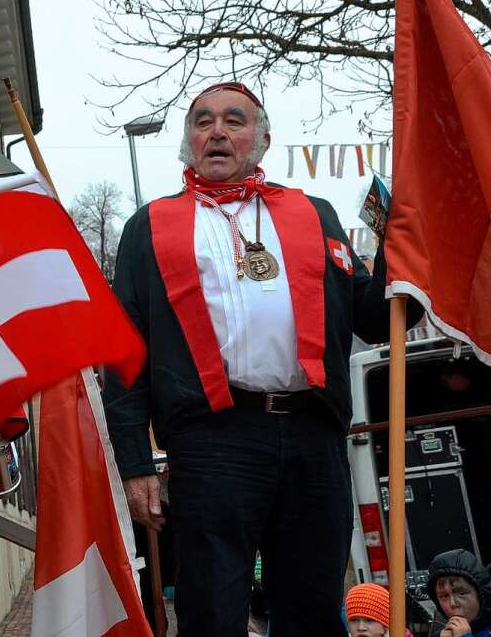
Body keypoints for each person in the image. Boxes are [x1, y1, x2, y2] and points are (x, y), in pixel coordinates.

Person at [104, 81, 422, 636]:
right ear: (188, 142)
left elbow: (373, 319)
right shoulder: (148, 226)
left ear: (264, 139)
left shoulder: (313, 214)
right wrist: (134, 463)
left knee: (313, 607)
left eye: (234, 120)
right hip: (211, 441)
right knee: (212, 609)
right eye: (202, 122)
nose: (218, 132)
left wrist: (406, 251)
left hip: (312, 436)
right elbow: (124, 355)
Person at [426, 550, 491, 637]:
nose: (452, 603)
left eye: (462, 593)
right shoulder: (442, 631)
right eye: (444, 596)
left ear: (481, 593)